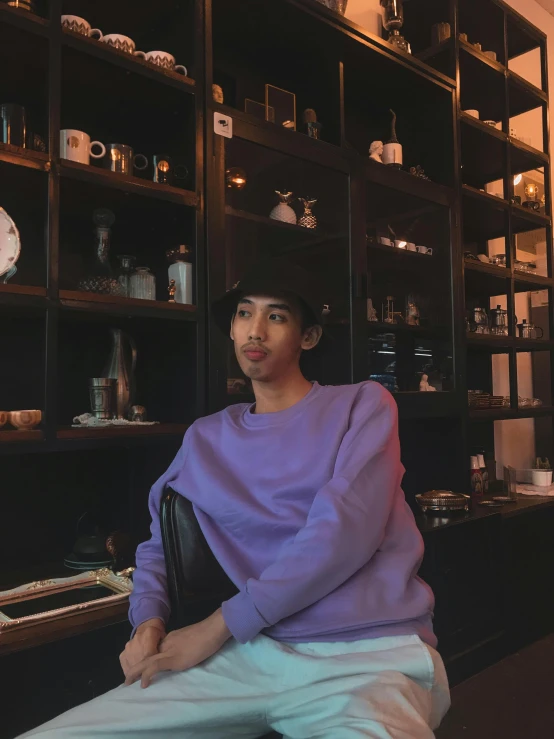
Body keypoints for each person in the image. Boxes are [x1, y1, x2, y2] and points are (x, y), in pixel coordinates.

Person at [20, 259, 450, 738]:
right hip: (249, 654)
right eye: (245, 314)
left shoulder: (362, 405)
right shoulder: (206, 437)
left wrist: (216, 627)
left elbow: (343, 532)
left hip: (368, 655)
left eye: (277, 316)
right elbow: (159, 544)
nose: (256, 330)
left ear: (307, 337)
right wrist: (147, 621)